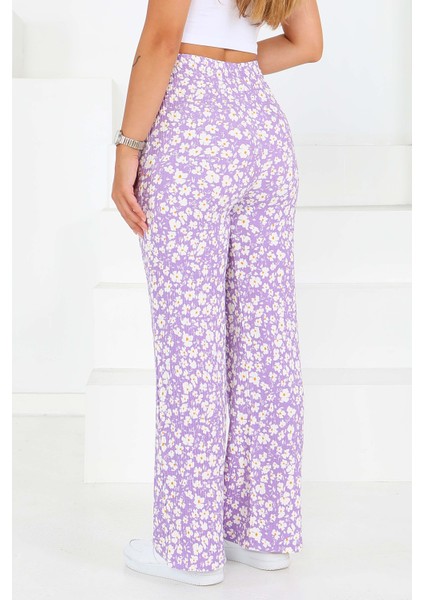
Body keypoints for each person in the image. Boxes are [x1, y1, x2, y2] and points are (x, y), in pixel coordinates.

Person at [111, 0, 323, 587]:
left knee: (191, 343)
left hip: (189, 130)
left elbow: (161, 41)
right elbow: (308, 43)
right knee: (265, 341)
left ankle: (188, 547)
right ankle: (261, 532)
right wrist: (238, 64)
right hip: (261, 132)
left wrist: (127, 146)